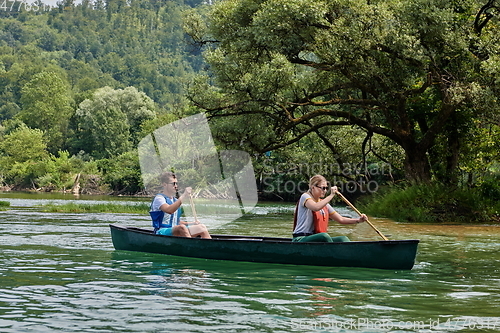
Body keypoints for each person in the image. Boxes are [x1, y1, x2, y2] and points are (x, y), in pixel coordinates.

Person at [292, 175, 367, 242]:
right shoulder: (305, 197)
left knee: (343, 239)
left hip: (314, 239)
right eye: (323, 188)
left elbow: (341, 219)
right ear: (313, 187)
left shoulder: (324, 204)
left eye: (326, 188)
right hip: (300, 239)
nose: (325, 191)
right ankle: (333, 253)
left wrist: (358, 220)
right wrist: (331, 195)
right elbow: (315, 207)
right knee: (324, 236)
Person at [149, 172, 211, 239]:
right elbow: (169, 210)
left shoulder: (175, 200)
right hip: (161, 232)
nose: (176, 186)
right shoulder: (159, 198)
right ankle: (191, 247)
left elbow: (176, 221)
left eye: (176, 183)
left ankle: (210, 248)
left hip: (176, 230)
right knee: (182, 228)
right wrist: (184, 195)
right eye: (173, 183)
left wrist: (192, 223)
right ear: (164, 184)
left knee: (201, 227)